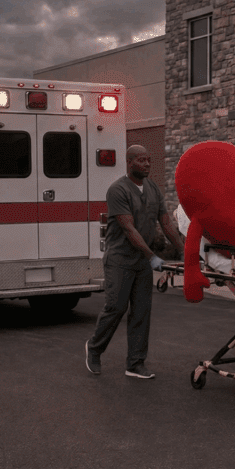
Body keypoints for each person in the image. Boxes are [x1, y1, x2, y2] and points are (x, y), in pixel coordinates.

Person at [85, 145, 185, 379]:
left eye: (149, 159)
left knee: (141, 311)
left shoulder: (153, 189)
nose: (147, 164)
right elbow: (128, 228)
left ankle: (135, 363)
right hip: (120, 259)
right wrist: (152, 257)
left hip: (142, 262)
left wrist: (183, 251)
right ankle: (94, 348)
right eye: (142, 160)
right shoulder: (118, 190)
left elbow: (166, 223)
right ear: (130, 163)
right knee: (116, 308)